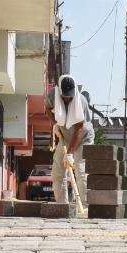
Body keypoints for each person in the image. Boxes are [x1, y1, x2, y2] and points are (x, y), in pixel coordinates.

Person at [44, 74, 94, 205]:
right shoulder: (53, 94)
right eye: (64, 95)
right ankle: (62, 205)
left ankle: (85, 205)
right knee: (57, 173)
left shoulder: (81, 101)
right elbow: (48, 108)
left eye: (70, 96)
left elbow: (78, 129)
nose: (67, 98)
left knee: (79, 169)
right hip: (65, 137)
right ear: (59, 90)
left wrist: (70, 153)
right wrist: (54, 123)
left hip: (83, 138)